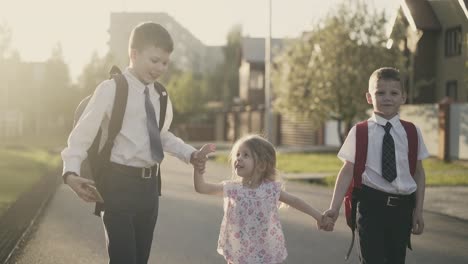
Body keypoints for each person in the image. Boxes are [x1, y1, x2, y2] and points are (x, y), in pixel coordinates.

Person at [61, 22, 206, 264]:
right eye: (154, 60)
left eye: (165, 63)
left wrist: (190, 154)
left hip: (149, 192)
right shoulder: (112, 89)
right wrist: (70, 172)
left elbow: (161, 135)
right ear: (134, 54)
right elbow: (81, 134)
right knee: (124, 259)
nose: (160, 68)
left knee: (139, 259)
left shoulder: (160, 95)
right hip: (117, 185)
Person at [322, 67, 429, 263]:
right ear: (369, 97)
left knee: (396, 259)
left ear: (403, 97)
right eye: (380, 92)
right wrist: (334, 207)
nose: (387, 98)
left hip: (402, 210)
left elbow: (418, 173)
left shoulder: (412, 132)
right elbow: (347, 171)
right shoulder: (360, 131)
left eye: (394, 93)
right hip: (371, 208)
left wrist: (418, 211)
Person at [193, 135, 328, 264]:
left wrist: (318, 216)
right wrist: (198, 165)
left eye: (246, 155)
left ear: (261, 165)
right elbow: (202, 188)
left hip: (267, 253)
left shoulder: (270, 190)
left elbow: (295, 201)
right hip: (239, 253)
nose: (238, 158)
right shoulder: (232, 188)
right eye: (238, 154)